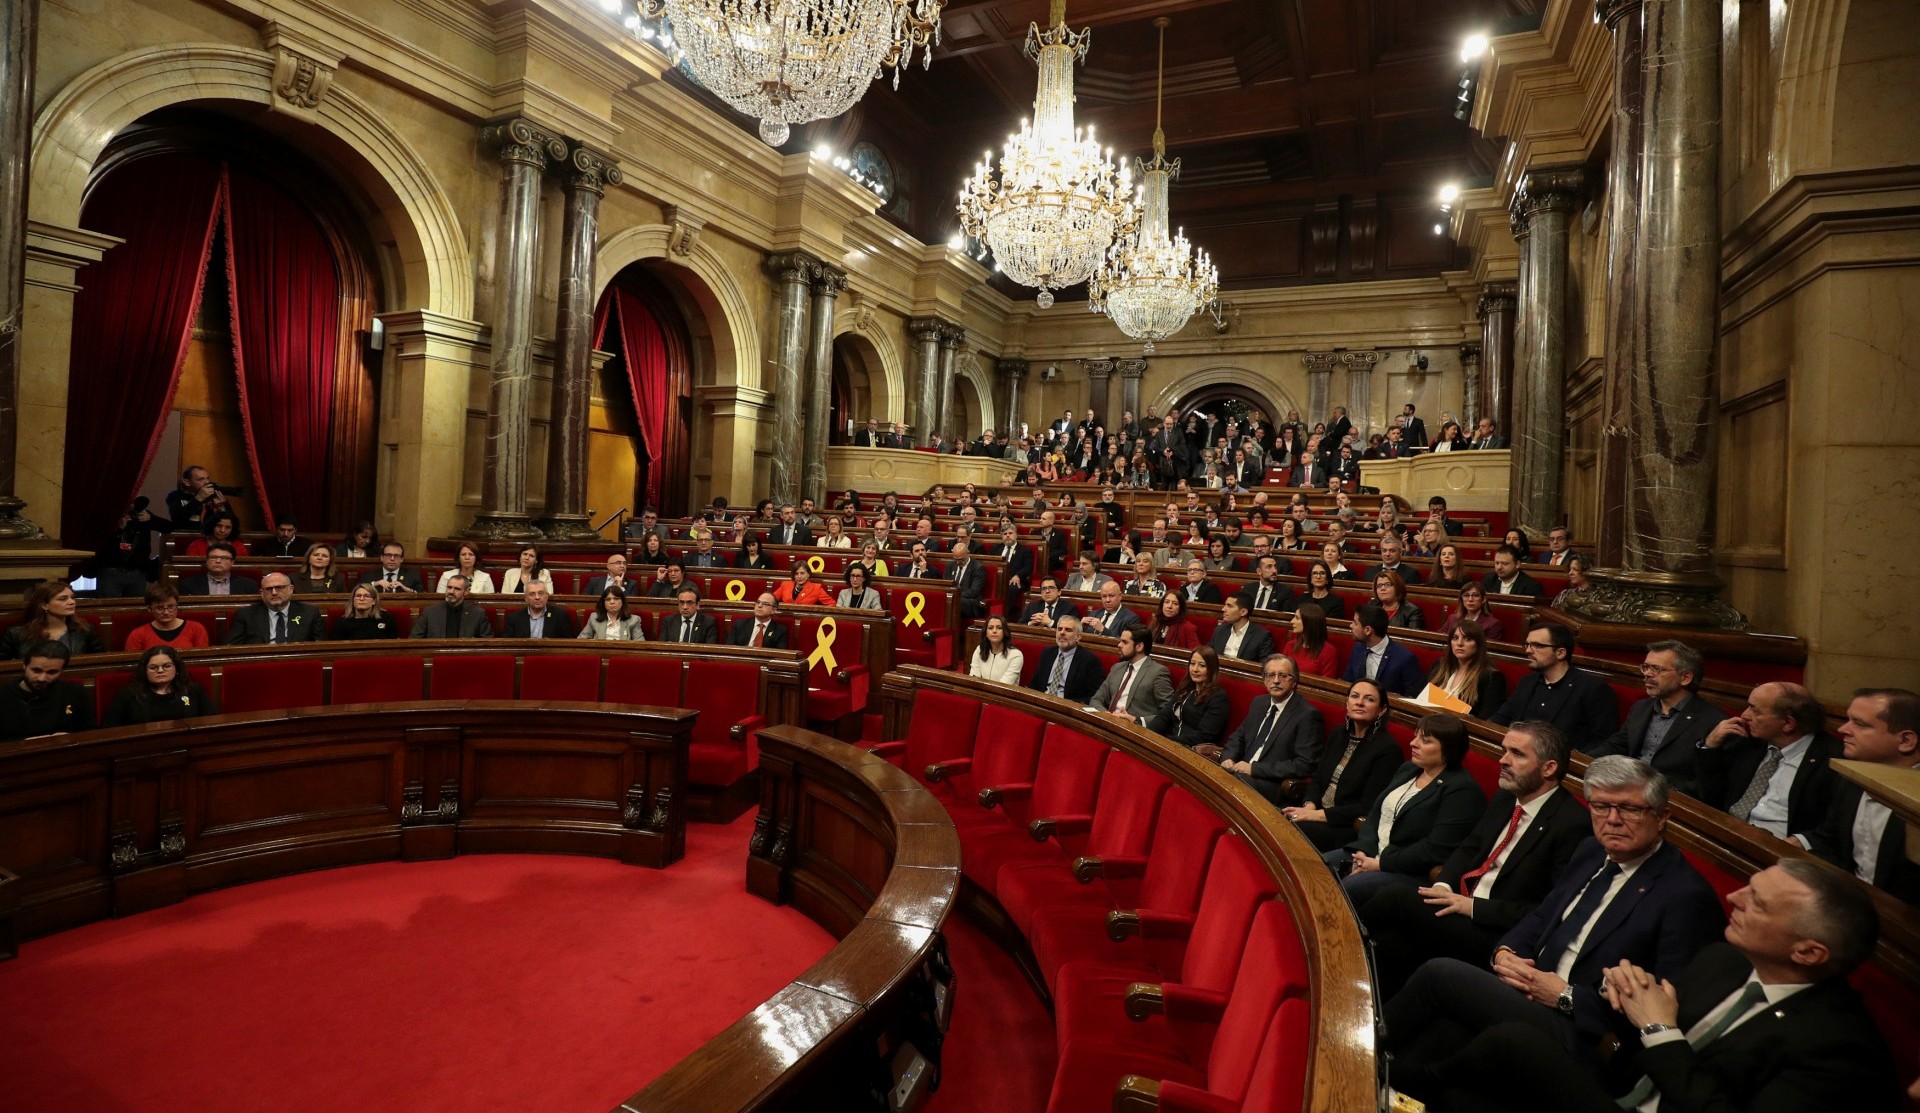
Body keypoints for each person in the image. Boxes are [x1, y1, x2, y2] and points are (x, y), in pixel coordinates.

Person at [1409, 859, 1897, 1113]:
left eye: (1759, 904)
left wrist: (1660, 1028)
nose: (1733, 896)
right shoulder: (1727, 959)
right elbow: (1643, 1022)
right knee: (1496, 1052)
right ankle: (1401, 1082)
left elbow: (1670, 1046)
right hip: (1622, 1082)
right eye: (1749, 885)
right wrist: (1621, 993)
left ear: (1808, 952)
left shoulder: (1841, 1053)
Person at [1383, 757, 1726, 1086]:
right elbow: (1543, 915)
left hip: (1584, 1031)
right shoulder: (1592, 851)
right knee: (1436, 1027)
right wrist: (1505, 952)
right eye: (1601, 807)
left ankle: (1358, 1050)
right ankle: (1376, 1082)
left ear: (1662, 816)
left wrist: (1566, 995)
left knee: (1439, 973)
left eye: (1629, 809)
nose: (1613, 819)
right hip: (1527, 992)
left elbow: (1667, 1007)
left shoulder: (1685, 896)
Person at [1356, 721, 1592, 997]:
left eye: (1517, 754)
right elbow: (1469, 848)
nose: (1502, 761)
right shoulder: (1507, 797)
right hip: (1459, 902)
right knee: (1388, 941)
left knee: (1394, 896)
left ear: (1549, 768)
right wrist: (1443, 886)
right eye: (1504, 751)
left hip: (1496, 931)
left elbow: (1549, 910)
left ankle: (1332, 948)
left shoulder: (1572, 824)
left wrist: (1472, 907)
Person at [1328, 713, 1485, 904]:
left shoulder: (1462, 790)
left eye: (1425, 741)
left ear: (1449, 749)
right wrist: (1364, 850)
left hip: (1409, 871)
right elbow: (1376, 813)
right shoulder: (1409, 769)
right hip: (1371, 854)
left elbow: (1435, 850)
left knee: (1348, 888)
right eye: (1415, 736)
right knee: (1318, 866)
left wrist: (1380, 863)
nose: (1413, 743)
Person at [1798, 688, 1920, 904]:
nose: (1842, 729)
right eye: (1847, 720)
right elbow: (1830, 840)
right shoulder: (1850, 776)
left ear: (1906, 741)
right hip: (1848, 901)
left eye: (1860, 724)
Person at [1695, 681, 1841, 839]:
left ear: (1787, 723)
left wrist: (1803, 842)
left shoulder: (1832, 761)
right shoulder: (1750, 741)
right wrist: (1710, 746)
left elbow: (1834, 827)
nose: (1745, 715)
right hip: (1727, 832)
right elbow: (1712, 795)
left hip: (1778, 850)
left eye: (1754, 710)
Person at [1585, 640, 1724, 797]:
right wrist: (1582, 760)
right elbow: (1617, 745)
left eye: (1656, 669)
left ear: (1685, 678)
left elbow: (1702, 782)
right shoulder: (1641, 708)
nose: (1647, 674)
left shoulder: (1712, 721)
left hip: (1668, 799)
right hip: (1626, 787)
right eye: (1646, 667)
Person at [1283, 678, 1400, 850]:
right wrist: (1309, 806)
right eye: (1354, 696)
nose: (1359, 703)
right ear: (1347, 703)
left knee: (1289, 830)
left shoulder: (1387, 750)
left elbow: (1367, 806)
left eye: (1369, 699)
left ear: (1381, 710)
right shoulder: (1339, 734)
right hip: (1316, 812)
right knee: (1275, 816)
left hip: (1345, 826)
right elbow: (1317, 777)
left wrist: (1315, 815)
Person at [1487, 621, 1621, 752]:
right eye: (1527, 644)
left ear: (1560, 653)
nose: (1528, 650)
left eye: (1537, 645)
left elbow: (1601, 741)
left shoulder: (1593, 689)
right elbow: (1501, 717)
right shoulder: (1527, 682)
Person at [1218, 655, 1326, 802]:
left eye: (1283, 675)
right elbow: (1238, 737)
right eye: (1271, 675)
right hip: (1240, 773)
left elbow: (1304, 765)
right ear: (1264, 679)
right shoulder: (1258, 703)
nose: (1276, 680)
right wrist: (1228, 758)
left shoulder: (1308, 715)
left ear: (1294, 681)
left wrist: (1254, 769)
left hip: (1271, 784)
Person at [102, 646, 218, 727]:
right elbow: (110, 727)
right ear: (145, 671)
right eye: (153, 668)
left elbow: (211, 719)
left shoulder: (193, 690)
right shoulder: (128, 695)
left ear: (176, 669)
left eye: (166, 666)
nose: (160, 671)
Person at [0, 642, 94, 740]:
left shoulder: (74, 692)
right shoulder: (3, 695)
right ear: (24, 665)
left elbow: (88, 732)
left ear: (62, 670)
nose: (42, 678)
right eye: (36, 670)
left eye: (52, 672)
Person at [1149, 646, 1232, 753]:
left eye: (1202, 666)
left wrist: (1168, 741)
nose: (1195, 669)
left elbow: (1204, 736)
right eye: (1192, 664)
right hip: (1171, 745)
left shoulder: (1218, 698)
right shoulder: (1185, 689)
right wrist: (1148, 734)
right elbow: (1163, 717)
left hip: (1192, 752)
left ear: (1211, 669)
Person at [1086, 627, 1173, 725]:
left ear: (1139, 646)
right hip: (1108, 723)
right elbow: (1096, 699)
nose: (1119, 645)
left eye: (1124, 642)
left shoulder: (1158, 672)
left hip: (1134, 730)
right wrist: (1105, 714)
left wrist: (1136, 720)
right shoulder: (1117, 668)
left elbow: (1168, 713)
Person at [1, 580, 107, 659]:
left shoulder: (85, 630)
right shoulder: (16, 634)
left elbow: (100, 660)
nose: (72, 602)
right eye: (63, 599)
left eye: (72, 597)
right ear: (45, 605)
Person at [1424, 621, 1509, 718]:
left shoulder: (1491, 678)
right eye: (1455, 638)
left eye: (1467, 639)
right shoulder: (1439, 665)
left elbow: (1486, 719)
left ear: (1478, 644)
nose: (1459, 643)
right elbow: (1414, 694)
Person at [1341, 603, 1425, 697]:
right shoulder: (1358, 648)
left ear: (1367, 630)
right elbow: (1347, 681)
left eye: (1355, 623)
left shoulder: (1405, 659)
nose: (1351, 626)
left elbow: (1412, 696)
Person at [225, 573, 325, 645]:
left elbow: (321, 647)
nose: (274, 593)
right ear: (261, 593)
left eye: (279, 588)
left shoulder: (310, 613)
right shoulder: (246, 615)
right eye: (268, 589)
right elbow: (232, 648)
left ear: (290, 589)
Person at [1027, 616, 1103, 704]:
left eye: (1068, 630)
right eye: (1059, 629)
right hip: (1041, 702)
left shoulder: (1089, 660)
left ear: (1078, 637)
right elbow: (1034, 684)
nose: (1062, 632)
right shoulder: (1047, 653)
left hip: (1067, 708)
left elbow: (1094, 697)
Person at [123, 583, 210, 652]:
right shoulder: (137, 635)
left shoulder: (196, 629)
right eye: (159, 608)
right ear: (149, 609)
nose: (166, 612)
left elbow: (201, 663)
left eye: (171, 606)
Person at [410, 575, 493, 638]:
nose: (451, 591)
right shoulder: (430, 612)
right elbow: (414, 640)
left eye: (457, 589)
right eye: (449, 587)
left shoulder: (478, 614)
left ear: (466, 592)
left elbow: (487, 643)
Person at [1209, 591, 1276, 663]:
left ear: (1243, 612)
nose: (1223, 609)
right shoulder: (1220, 629)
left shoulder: (1262, 636)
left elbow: (1265, 665)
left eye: (1229, 606)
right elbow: (1208, 654)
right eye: (1225, 605)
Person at [178, 543, 259, 597]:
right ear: (206, 560)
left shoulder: (248, 585)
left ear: (232, 562)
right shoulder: (188, 584)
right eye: (213, 557)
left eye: (224, 558)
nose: (218, 561)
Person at [165, 465, 230, 533]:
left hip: (208, 538)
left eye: (207, 478)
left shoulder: (212, 496)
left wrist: (222, 507)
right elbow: (177, 519)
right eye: (201, 479)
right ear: (187, 482)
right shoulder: (175, 495)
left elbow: (230, 523)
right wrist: (199, 498)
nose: (207, 482)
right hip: (184, 537)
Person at [1284, 604, 1339, 679]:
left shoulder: (1328, 651)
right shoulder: (1290, 645)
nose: (1292, 621)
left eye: (1297, 618)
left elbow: (1327, 683)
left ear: (1309, 622)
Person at [1438, 581, 1504, 642]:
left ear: (1483, 599)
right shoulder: (1452, 618)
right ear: (1461, 599)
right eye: (1466, 595)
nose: (1470, 599)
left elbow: (1488, 651)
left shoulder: (1493, 624)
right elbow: (1439, 639)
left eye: (1475, 595)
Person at [331, 582, 401, 640]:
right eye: (358, 596)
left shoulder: (386, 618)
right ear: (352, 600)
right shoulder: (342, 622)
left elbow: (394, 643)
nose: (361, 599)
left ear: (374, 601)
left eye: (367, 596)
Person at [968, 615, 1025, 684]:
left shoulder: (1015, 655)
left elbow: (1005, 685)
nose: (994, 631)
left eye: (999, 628)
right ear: (986, 633)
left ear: (1004, 632)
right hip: (980, 693)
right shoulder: (979, 650)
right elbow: (974, 677)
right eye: (990, 628)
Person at [357, 542, 424, 594]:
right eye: (388, 555)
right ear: (382, 557)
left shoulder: (413, 576)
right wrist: (375, 584)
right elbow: (357, 591)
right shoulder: (369, 576)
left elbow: (422, 595)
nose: (392, 559)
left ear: (402, 559)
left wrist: (405, 588)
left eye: (396, 556)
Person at [950, 539, 988, 620]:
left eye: (961, 559)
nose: (957, 562)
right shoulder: (950, 565)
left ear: (968, 554)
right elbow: (946, 584)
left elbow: (974, 591)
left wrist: (956, 596)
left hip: (970, 602)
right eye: (955, 559)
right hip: (954, 598)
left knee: (955, 602)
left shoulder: (977, 568)